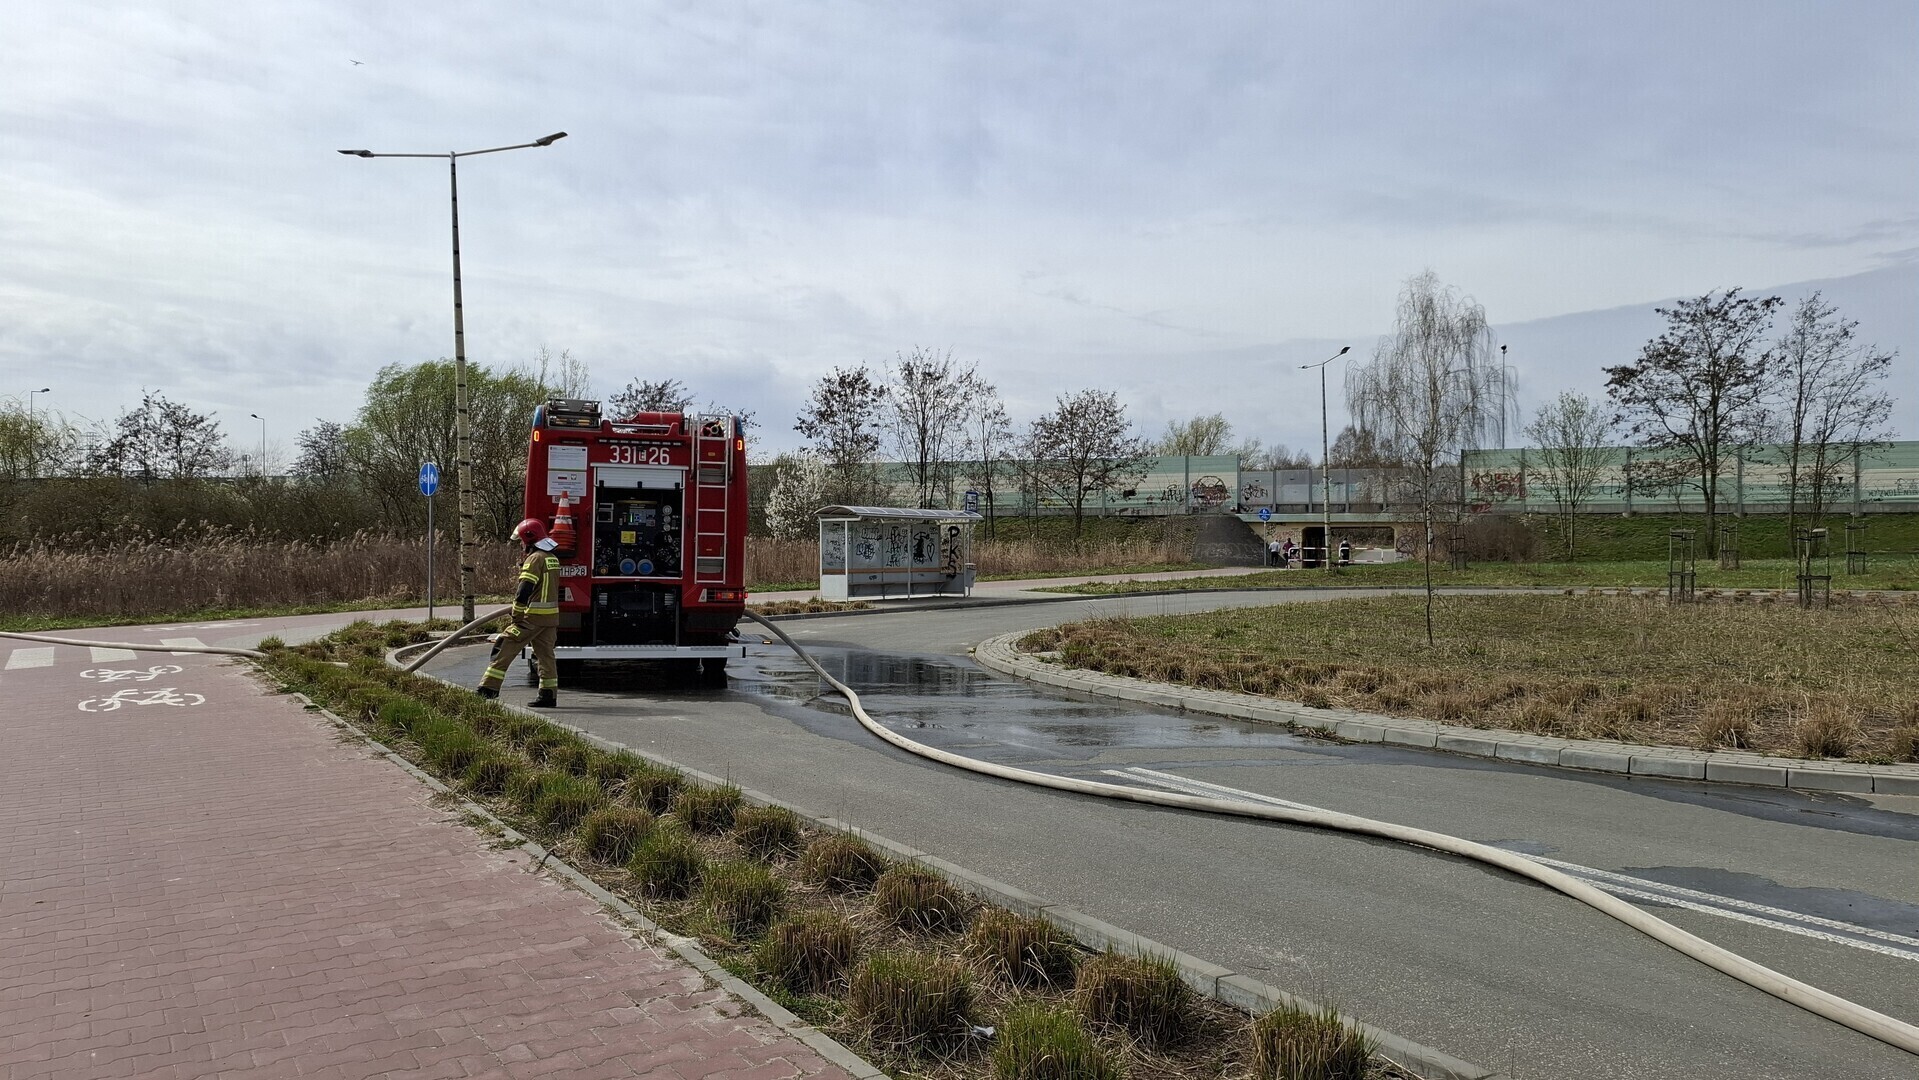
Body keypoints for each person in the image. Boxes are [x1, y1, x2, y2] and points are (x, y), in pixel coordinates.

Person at [477, 518, 562, 707]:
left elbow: (524, 589)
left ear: (529, 539)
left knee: (504, 645)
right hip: (550, 619)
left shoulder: (534, 559)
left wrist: (516, 614)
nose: (521, 545)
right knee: (545, 655)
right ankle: (548, 695)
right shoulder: (552, 558)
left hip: (532, 618)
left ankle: (488, 690)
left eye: (522, 541)